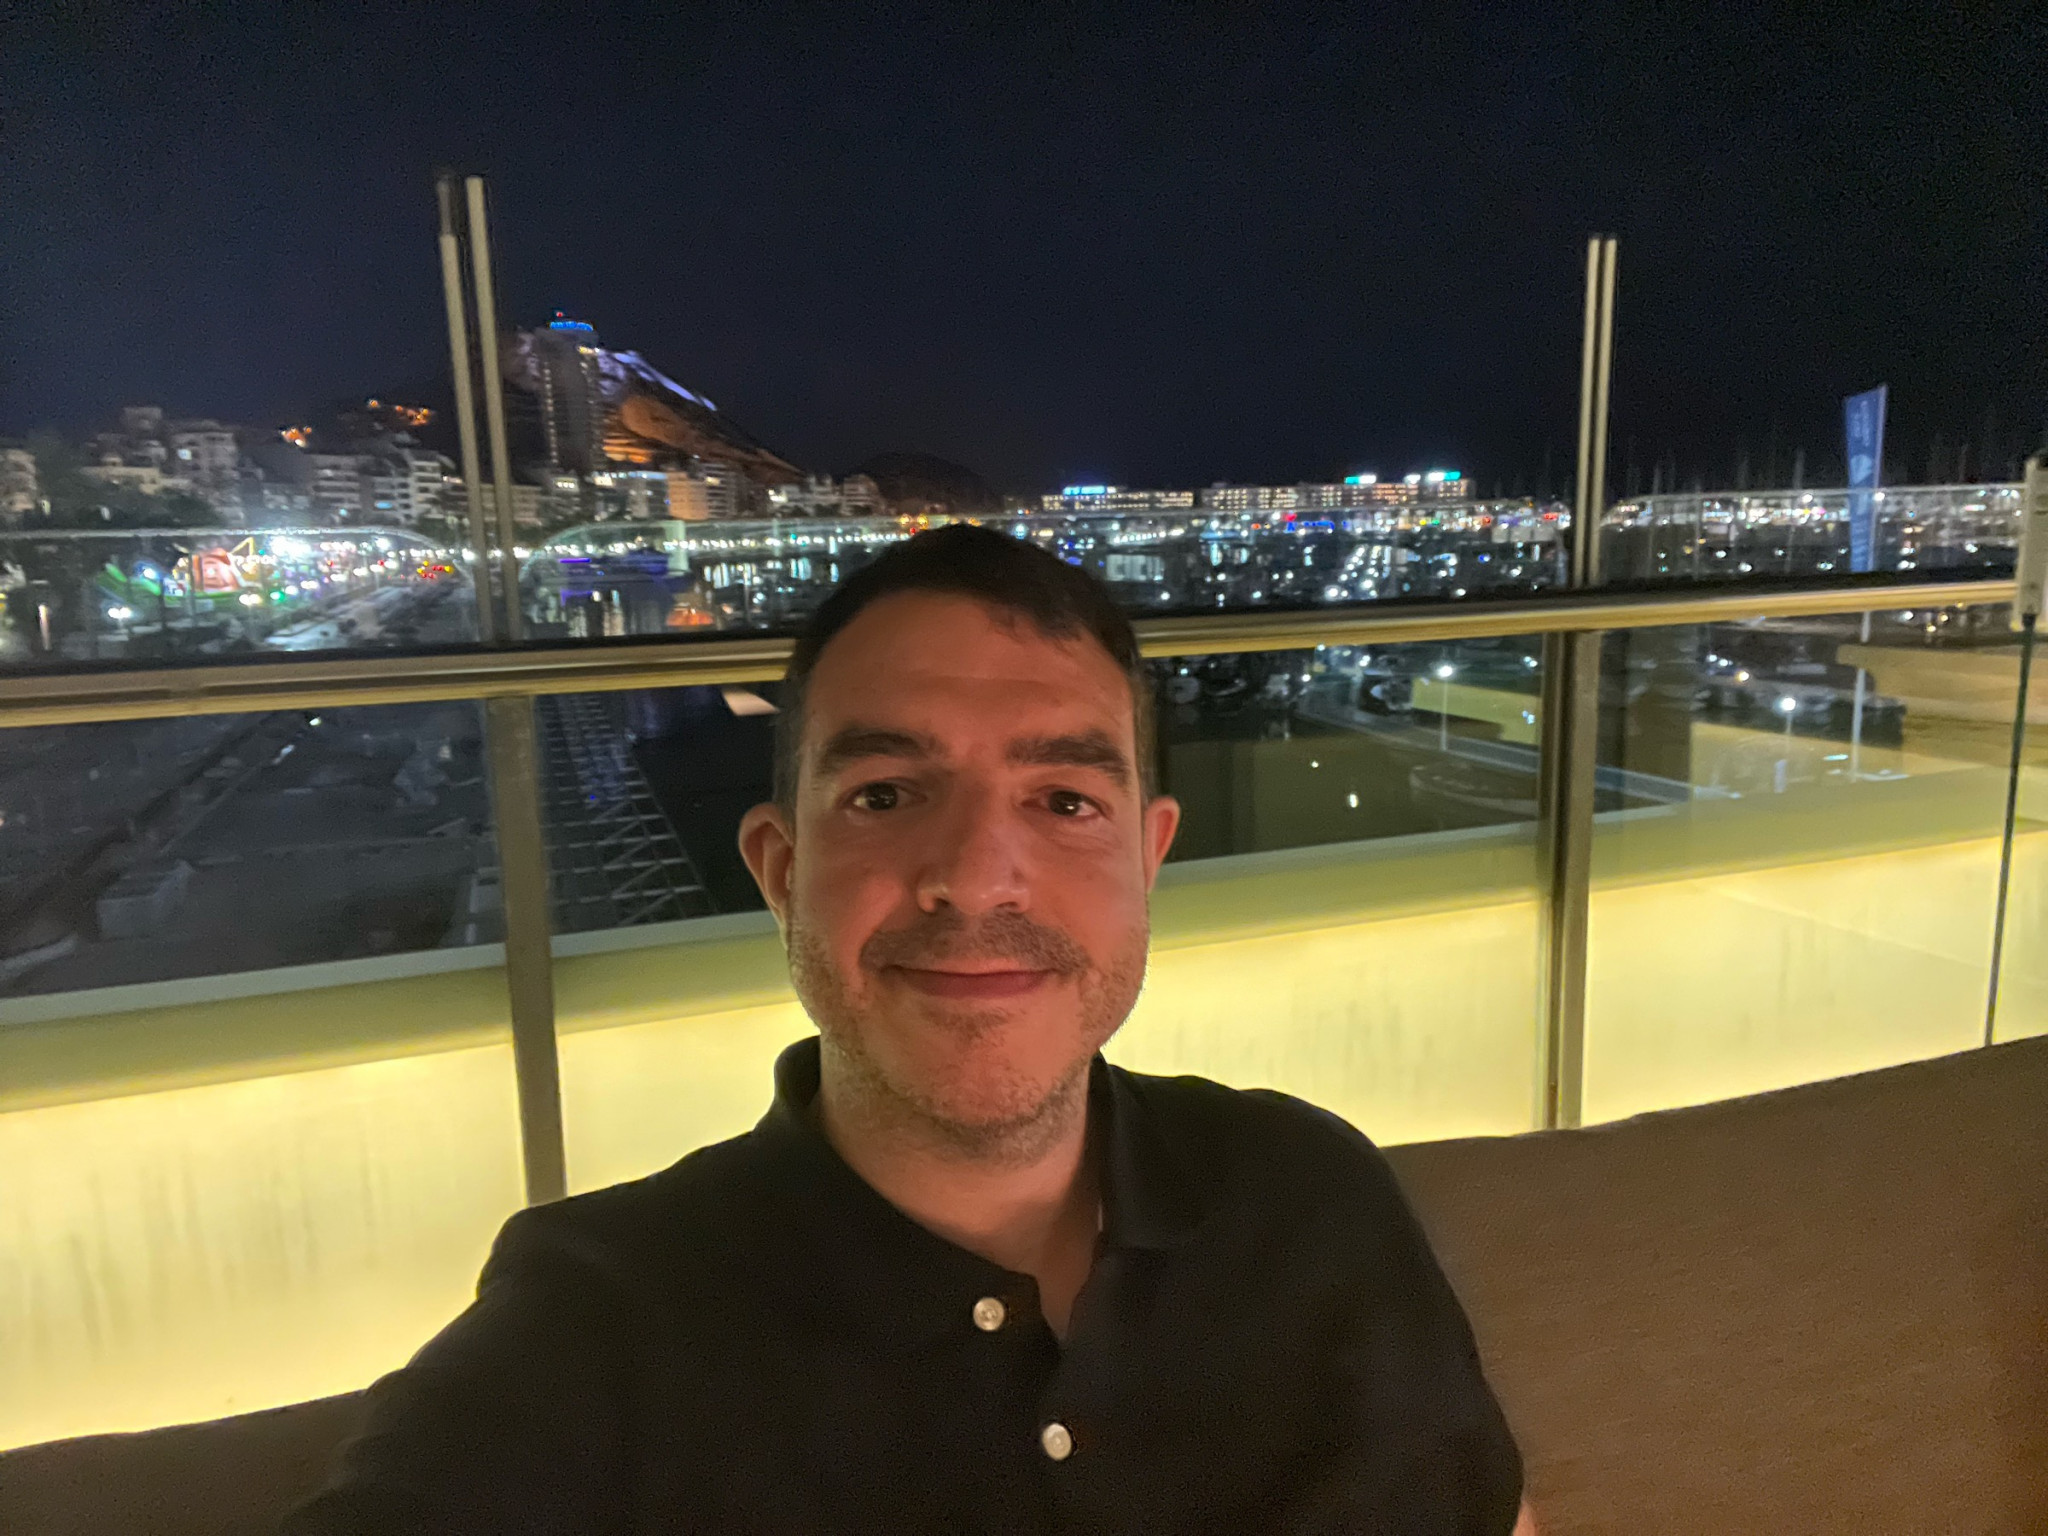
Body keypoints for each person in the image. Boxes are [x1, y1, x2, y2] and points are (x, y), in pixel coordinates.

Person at [288, 524, 1535, 1534]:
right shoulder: (596, 1330)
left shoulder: (1307, 1191)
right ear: (782, 871)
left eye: (1063, 800)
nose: (978, 877)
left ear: (1146, 862)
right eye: (884, 794)